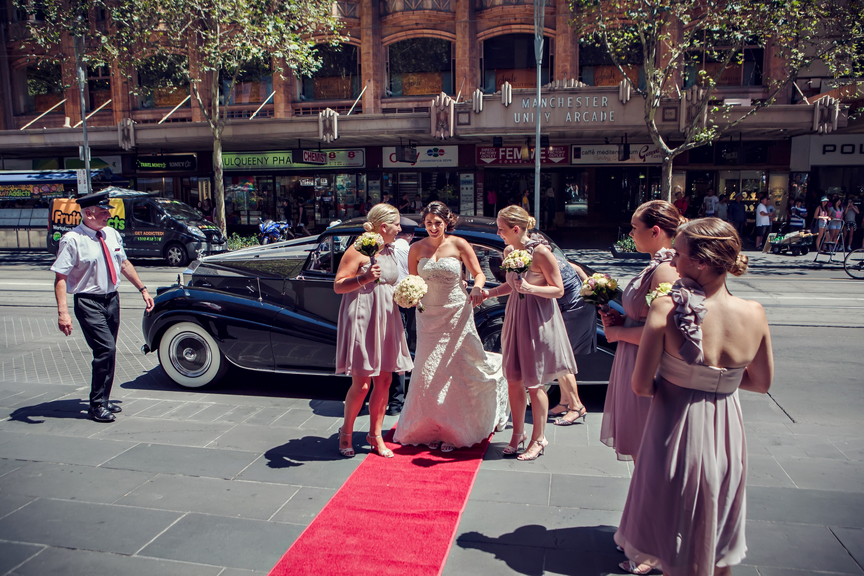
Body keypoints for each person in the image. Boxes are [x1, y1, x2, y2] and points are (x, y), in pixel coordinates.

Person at [615, 218, 774, 576]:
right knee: (716, 535)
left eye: (679, 254)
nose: (672, 262)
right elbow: (761, 382)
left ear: (700, 262)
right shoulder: (755, 313)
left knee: (669, 534)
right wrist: (718, 382)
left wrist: (681, 381)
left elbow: (640, 385)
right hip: (727, 435)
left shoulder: (666, 310)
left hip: (673, 427)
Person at [394, 202, 509, 451]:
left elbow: (477, 273)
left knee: (457, 368)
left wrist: (478, 287)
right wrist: (409, 296)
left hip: (457, 312)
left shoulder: (459, 245)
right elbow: (413, 280)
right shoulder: (416, 248)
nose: (433, 227)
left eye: (438, 222)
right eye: (428, 223)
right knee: (429, 371)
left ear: (447, 222)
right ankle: (432, 426)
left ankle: (455, 429)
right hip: (428, 316)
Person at [481, 206, 577, 461]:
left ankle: (539, 438)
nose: (498, 232)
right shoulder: (510, 252)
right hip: (515, 316)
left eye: (501, 229)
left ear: (516, 229)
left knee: (534, 384)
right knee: (513, 379)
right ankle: (518, 434)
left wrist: (530, 288)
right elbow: (511, 286)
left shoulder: (541, 252)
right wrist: (489, 293)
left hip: (538, 319)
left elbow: (558, 290)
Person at [51, 190, 155, 423]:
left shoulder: (111, 234)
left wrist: (143, 289)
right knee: (105, 350)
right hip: (88, 302)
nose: (108, 214)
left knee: (109, 352)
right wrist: (63, 313)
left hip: (112, 300)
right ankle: (97, 405)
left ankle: (104, 400)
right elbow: (60, 278)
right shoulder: (72, 239)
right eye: (103, 211)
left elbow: (124, 264)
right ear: (88, 213)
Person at [600, 200, 682, 461]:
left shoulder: (666, 270)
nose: (631, 234)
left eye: (635, 228)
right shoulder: (656, 265)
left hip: (647, 362)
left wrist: (619, 333)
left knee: (649, 451)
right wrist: (625, 319)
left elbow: (668, 330)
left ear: (655, 231)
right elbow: (650, 316)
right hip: (634, 356)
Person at [333, 204, 413, 458]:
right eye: (397, 224)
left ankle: (375, 435)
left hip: (387, 315)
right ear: (383, 227)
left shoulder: (390, 250)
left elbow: (393, 281)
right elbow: (338, 286)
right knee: (362, 384)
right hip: (363, 315)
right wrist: (364, 279)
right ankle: (346, 432)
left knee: (386, 380)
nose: (401, 229)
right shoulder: (357, 250)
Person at [545, 249, 596, 426]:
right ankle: (564, 401)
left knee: (561, 356)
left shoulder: (544, 263)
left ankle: (576, 406)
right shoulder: (557, 259)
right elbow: (580, 272)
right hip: (580, 305)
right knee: (562, 355)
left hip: (574, 310)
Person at [387, 217, 418, 416]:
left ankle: (395, 403)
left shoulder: (388, 249)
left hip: (389, 303)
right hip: (413, 301)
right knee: (412, 347)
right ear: (412, 235)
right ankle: (413, 397)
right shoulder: (412, 250)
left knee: (397, 348)